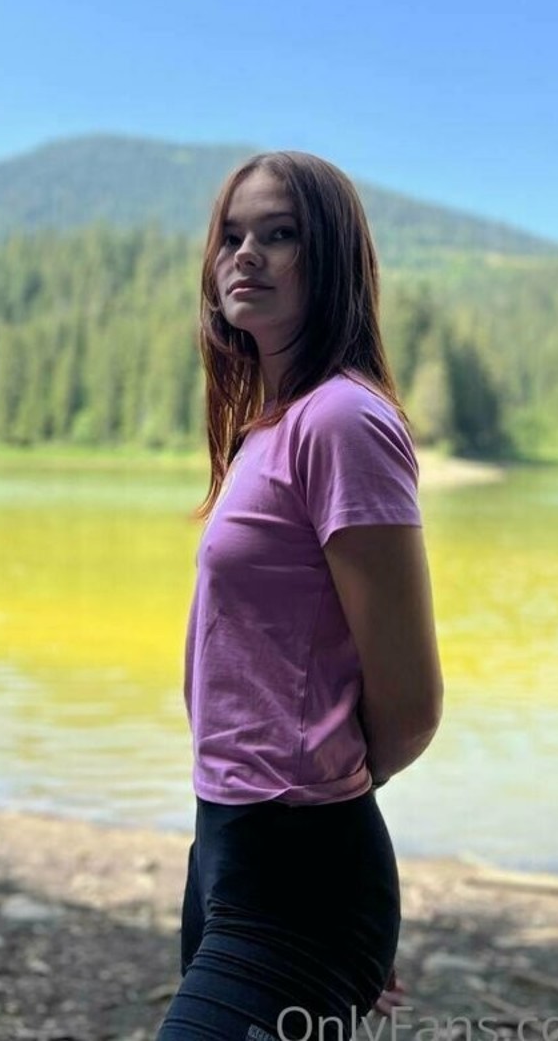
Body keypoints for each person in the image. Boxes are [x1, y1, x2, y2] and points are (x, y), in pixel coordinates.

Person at [156, 151, 444, 1041]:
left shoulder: (343, 421)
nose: (246, 254)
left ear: (332, 261)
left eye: (279, 234)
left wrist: (328, 834)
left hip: (299, 864)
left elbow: (411, 703)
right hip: (227, 845)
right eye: (231, 236)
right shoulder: (271, 426)